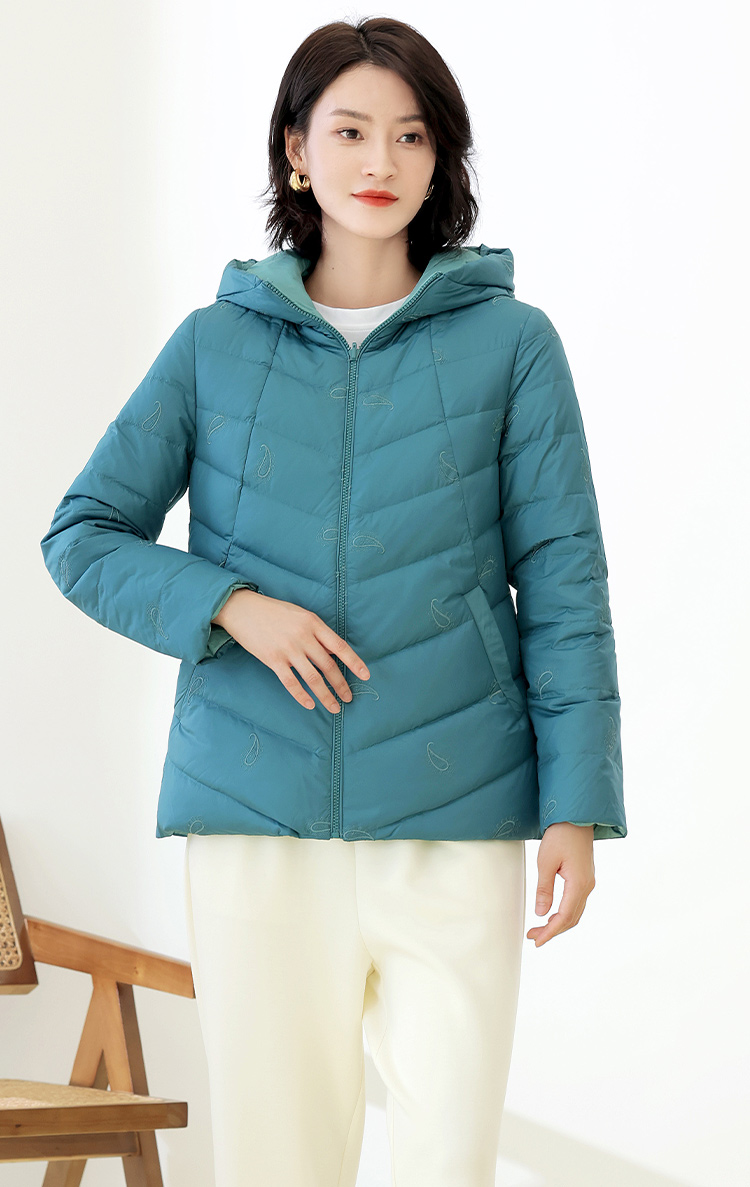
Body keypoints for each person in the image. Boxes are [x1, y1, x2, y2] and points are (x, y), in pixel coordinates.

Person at [39, 16, 627, 1187]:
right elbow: (82, 535)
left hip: (456, 820)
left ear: (441, 159)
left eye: (412, 135)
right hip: (255, 821)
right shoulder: (213, 346)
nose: (381, 160)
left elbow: (565, 577)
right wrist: (232, 605)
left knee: (448, 1160)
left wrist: (577, 803)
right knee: (278, 1163)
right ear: (296, 152)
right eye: (351, 130)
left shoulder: (514, 345)